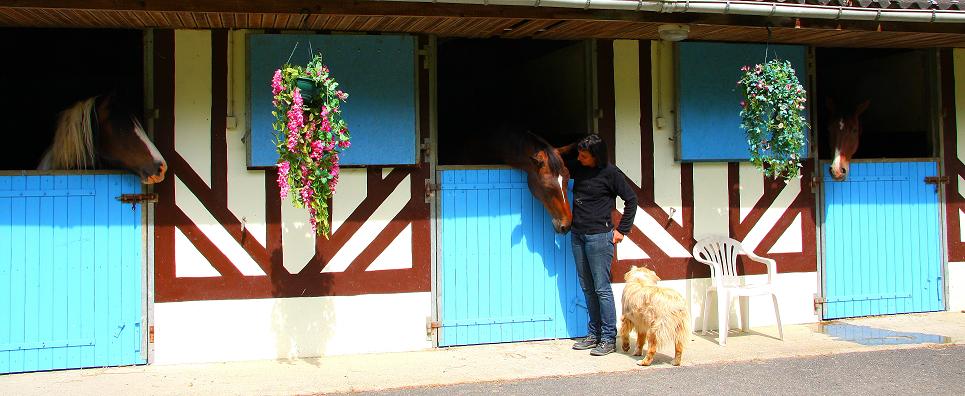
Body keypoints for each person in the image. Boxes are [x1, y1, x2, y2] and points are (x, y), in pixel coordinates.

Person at [567, 134, 637, 356]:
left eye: (584, 155)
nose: (579, 158)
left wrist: (622, 230)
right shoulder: (578, 169)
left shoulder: (610, 173)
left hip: (599, 236)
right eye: (579, 154)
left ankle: (608, 337)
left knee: (601, 288)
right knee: (587, 287)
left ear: (596, 156)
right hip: (577, 234)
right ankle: (593, 334)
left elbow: (631, 200)